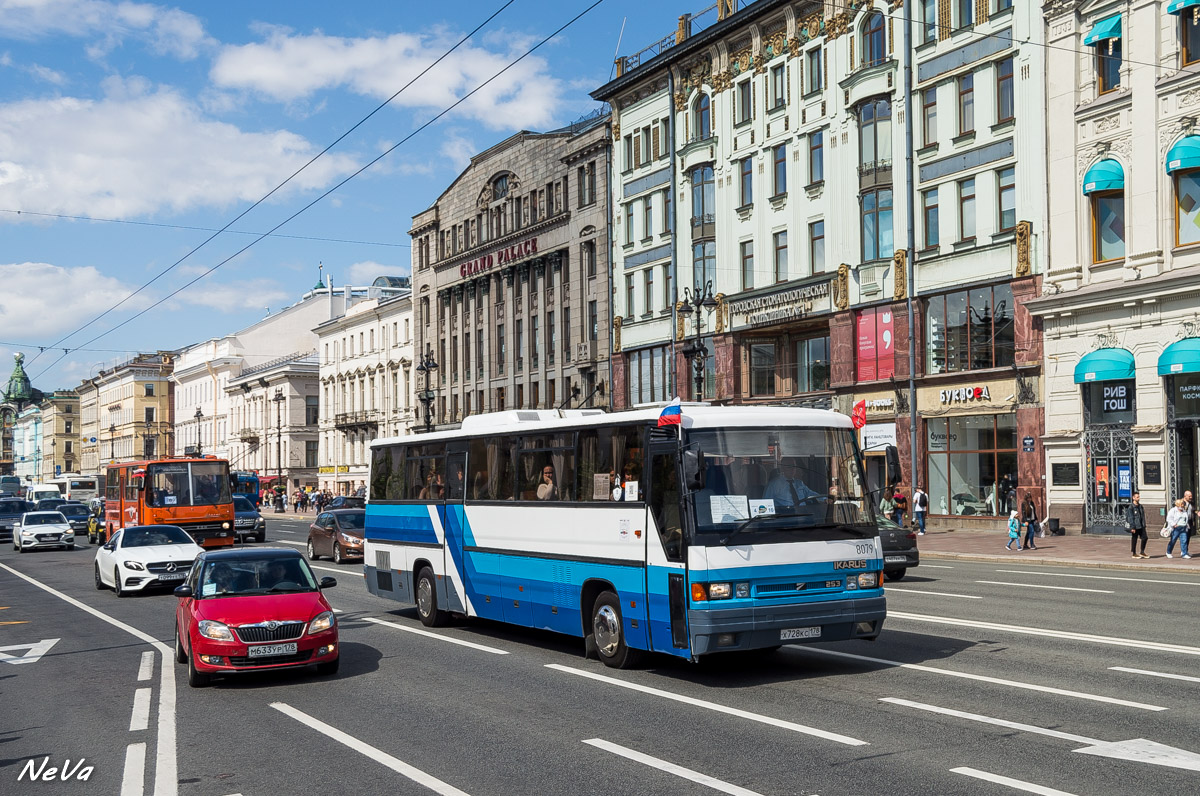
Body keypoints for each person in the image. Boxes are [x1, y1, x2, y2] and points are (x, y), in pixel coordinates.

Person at [1126, 491, 1147, 559]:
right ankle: (1134, 553)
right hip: (1135, 526)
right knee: (1134, 539)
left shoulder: (1140, 506)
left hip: (1141, 525)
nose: (1139, 498)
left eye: (1139, 497)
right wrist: (1132, 527)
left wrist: (1144, 524)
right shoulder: (1131, 507)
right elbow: (1130, 517)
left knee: (1145, 538)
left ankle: (1142, 551)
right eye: (1137, 497)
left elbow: (1142, 516)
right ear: (1133, 498)